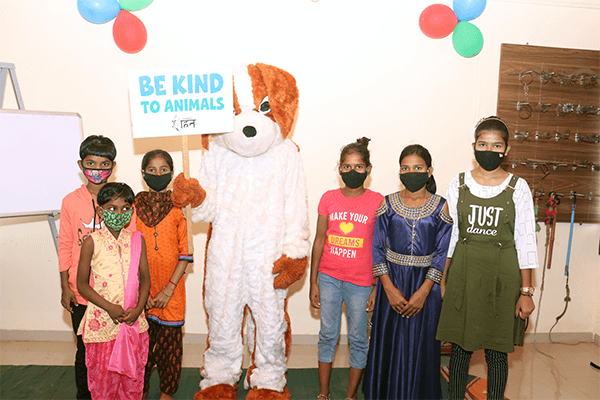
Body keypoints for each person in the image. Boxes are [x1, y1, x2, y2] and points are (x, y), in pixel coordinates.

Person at [436, 116, 538, 400]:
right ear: (474, 146)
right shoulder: (457, 184)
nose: (489, 150)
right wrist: (442, 280)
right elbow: (451, 237)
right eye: (483, 144)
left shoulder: (518, 187)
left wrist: (526, 292)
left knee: (496, 351)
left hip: (502, 281)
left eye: (496, 145)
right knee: (459, 349)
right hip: (464, 275)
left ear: (506, 150)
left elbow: (526, 242)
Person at [363, 144, 453, 400]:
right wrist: (388, 289)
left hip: (426, 287)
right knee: (388, 346)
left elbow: (440, 255)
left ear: (429, 171)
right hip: (391, 283)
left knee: (422, 348)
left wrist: (424, 293)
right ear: (399, 171)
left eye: (417, 168)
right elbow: (377, 248)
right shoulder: (387, 203)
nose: (411, 172)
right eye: (405, 168)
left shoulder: (441, 206)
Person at [309, 137, 383, 400]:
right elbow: (319, 240)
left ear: (368, 169)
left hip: (361, 283)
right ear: (339, 169)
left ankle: (351, 396)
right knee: (327, 336)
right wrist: (313, 282)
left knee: (358, 340)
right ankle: (323, 394)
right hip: (328, 277)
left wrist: (377, 287)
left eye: (359, 167)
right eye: (347, 166)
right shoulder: (328, 199)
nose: (353, 172)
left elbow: (381, 247)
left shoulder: (378, 202)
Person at [77, 182, 151, 400]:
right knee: (103, 380)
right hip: (102, 323)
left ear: (131, 210)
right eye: (112, 208)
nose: (119, 213)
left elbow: (145, 278)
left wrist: (138, 308)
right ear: (100, 211)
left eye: (125, 208)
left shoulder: (137, 240)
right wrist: (109, 307)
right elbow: (82, 284)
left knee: (132, 378)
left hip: (133, 322)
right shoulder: (91, 242)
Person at [58, 135, 117, 399]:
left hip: (112, 292)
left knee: (112, 351)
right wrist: (65, 287)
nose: (97, 170)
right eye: (91, 163)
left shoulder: (121, 200)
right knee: (85, 352)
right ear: (81, 165)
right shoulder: (71, 201)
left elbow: (131, 244)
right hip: (80, 294)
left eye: (104, 164)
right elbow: (65, 244)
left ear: (113, 167)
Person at [135, 150, 192, 400]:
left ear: (171, 173)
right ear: (143, 173)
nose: (157, 174)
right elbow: (129, 252)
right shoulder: (133, 207)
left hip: (172, 291)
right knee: (142, 348)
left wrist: (168, 289)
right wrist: (142, 292)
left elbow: (186, 253)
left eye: (163, 169)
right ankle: (140, 390)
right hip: (141, 292)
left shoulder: (181, 207)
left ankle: (167, 392)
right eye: (151, 169)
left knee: (170, 347)